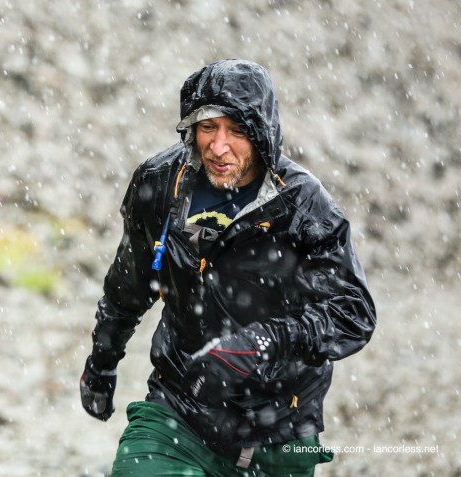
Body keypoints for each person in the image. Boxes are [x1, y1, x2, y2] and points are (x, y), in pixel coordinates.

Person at [79, 59, 377, 476]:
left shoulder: (303, 206)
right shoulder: (161, 182)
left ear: (262, 135)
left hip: (280, 434)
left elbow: (353, 313)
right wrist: (102, 363)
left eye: (237, 131)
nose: (219, 147)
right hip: (177, 413)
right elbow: (129, 286)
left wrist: (259, 344)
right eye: (208, 128)